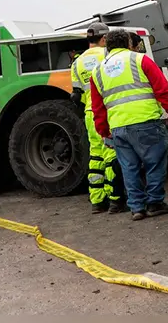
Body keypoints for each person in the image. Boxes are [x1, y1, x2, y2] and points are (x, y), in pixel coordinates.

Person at [90, 29, 168, 221]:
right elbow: (162, 89)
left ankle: (136, 207)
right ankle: (155, 202)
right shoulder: (140, 60)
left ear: (107, 44)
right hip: (146, 122)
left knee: (129, 167)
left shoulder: (97, 71)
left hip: (118, 127)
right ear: (129, 43)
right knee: (154, 163)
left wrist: (104, 131)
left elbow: (97, 107)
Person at [70, 22, 125, 215]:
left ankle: (96, 200)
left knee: (95, 156)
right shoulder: (107, 56)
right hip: (106, 112)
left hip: (89, 113)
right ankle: (115, 199)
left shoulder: (77, 62)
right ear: (104, 39)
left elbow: (76, 93)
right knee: (111, 155)